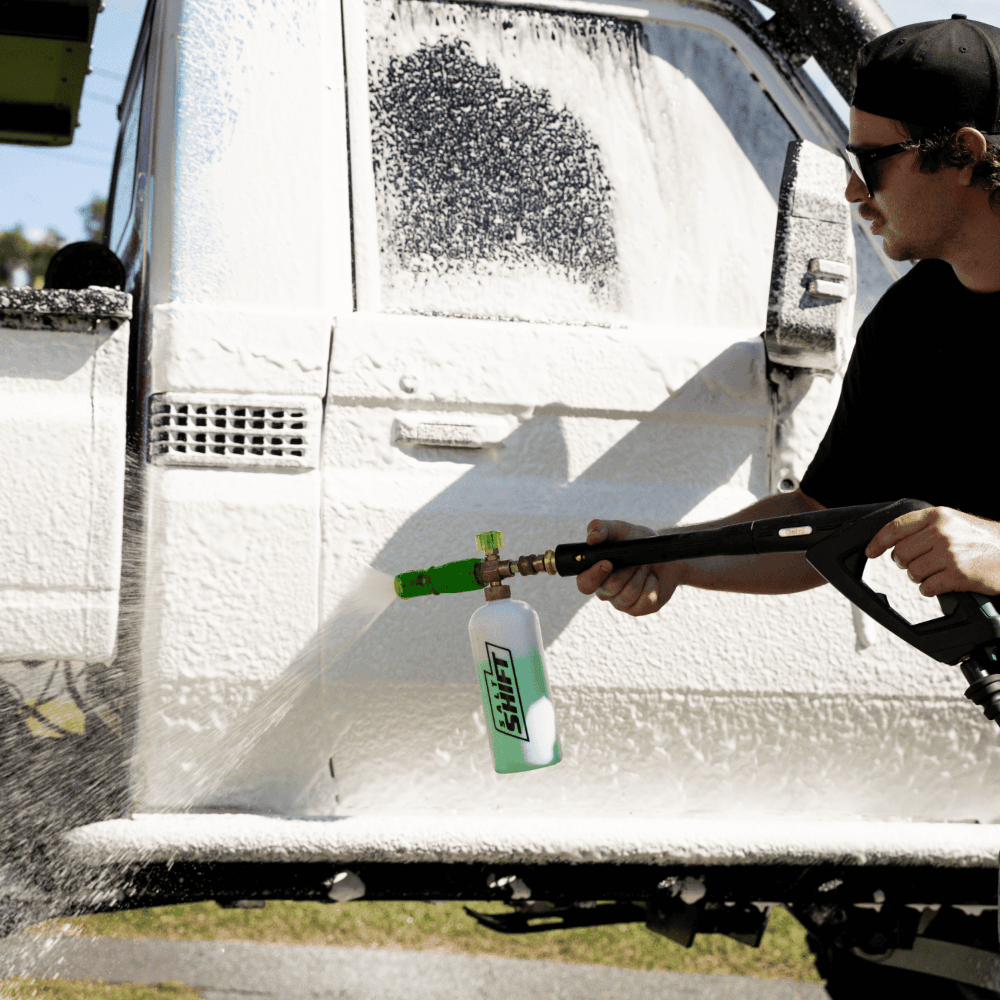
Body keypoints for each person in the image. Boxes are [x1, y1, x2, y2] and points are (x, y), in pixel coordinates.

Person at [579, 14, 1000, 614]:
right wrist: (671, 554)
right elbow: (819, 520)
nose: (855, 192)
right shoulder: (910, 325)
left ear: (963, 153)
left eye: (873, 161)